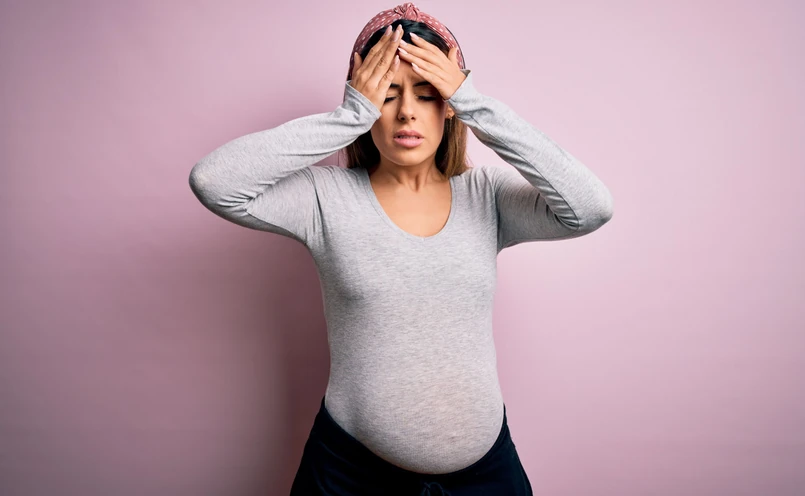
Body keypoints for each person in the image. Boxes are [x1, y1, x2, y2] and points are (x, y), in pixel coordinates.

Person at [188, 3, 614, 494]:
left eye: (427, 94)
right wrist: (350, 114)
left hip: (486, 477)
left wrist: (473, 102)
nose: (407, 111)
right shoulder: (324, 198)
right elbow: (214, 182)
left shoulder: (488, 196)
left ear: (449, 104)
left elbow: (590, 208)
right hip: (351, 477)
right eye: (387, 94)